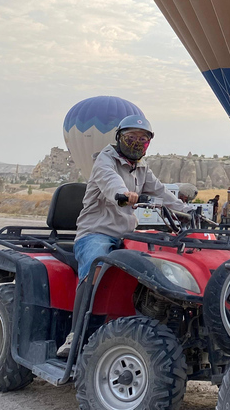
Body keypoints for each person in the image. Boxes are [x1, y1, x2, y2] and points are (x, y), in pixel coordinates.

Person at [58, 115, 195, 356]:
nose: (135, 143)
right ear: (119, 138)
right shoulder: (104, 161)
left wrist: (189, 213)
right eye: (130, 137)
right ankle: (75, 334)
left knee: (160, 266)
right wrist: (124, 194)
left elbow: (163, 195)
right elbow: (111, 183)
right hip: (96, 233)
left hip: (128, 235)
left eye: (141, 139)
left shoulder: (142, 168)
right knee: (96, 264)